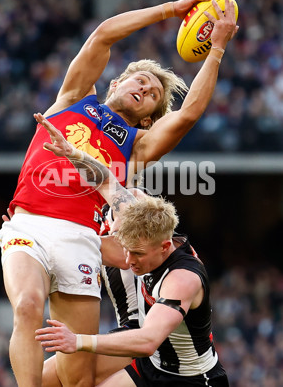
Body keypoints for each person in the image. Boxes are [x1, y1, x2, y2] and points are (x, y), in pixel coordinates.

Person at [0, 0, 238, 386]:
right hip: (30, 226)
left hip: (81, 239)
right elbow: (103, 36)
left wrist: (216, 50)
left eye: (153, 95)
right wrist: (169, 10)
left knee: (76, 378)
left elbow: (189, 113)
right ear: (116, 82)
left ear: (148, 120)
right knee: (26, 307)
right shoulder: (72, 99)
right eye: (139, 80)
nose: (144, 88)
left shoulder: (137, 145)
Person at [33, 114, 228, 386]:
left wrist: (76, 341)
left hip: (190, 379)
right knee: (43, 380)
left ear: (164, 247)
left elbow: (148, 340)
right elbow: (105, 180)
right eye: (126, 249)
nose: (127, 260)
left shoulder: (183, 278)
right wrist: (73, 153)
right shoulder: (141, 226)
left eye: (136, 253)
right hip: (151, 366)